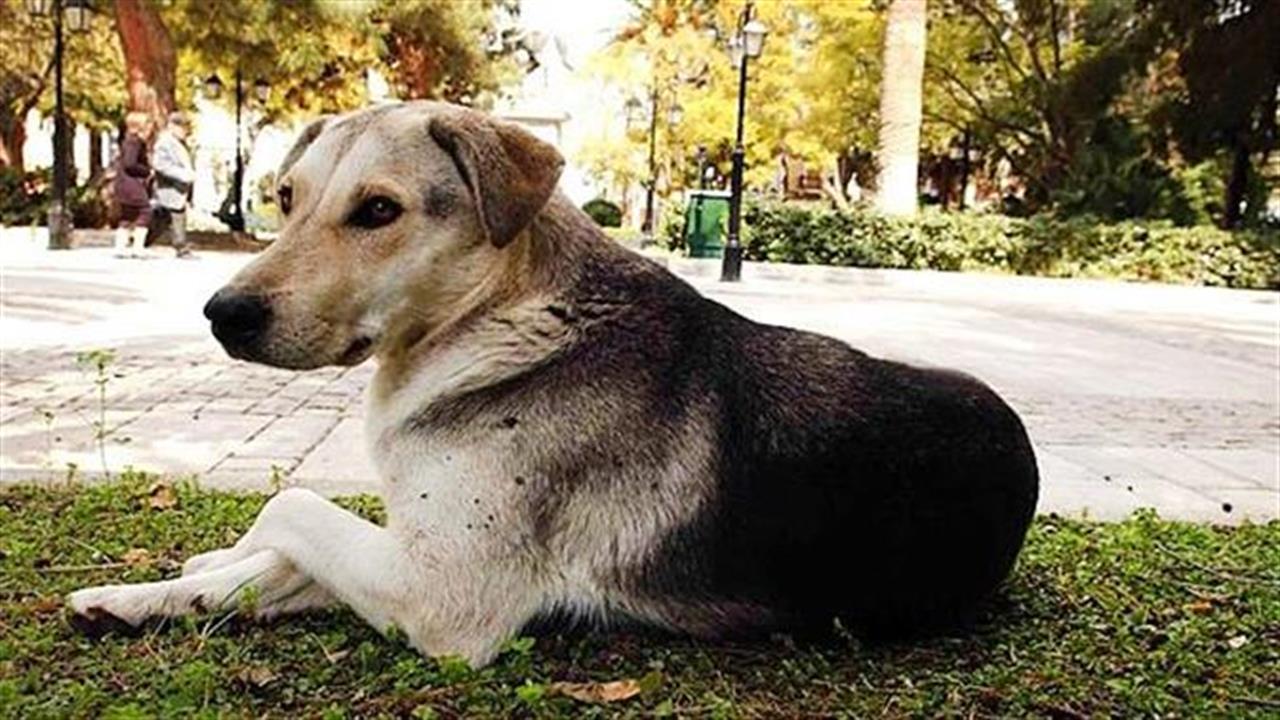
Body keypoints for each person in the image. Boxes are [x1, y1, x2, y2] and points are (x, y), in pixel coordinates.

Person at [150, 112, 196, 258]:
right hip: (169, 187)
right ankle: (180, 246)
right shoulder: (164, 143)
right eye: (182, 128)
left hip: (177, 189)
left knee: (172, 216)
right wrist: (182, 175)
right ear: (171, 126)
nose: (185, 131)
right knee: (166, 216)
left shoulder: (178, 143)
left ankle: (180, 246)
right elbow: (160, 164)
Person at [112, 112, 153, 257]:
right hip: (132, 184)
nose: (150, 130)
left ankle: (120, 247)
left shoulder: (127, 141)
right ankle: (137, 247)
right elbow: (130, 164)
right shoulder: (135, 142)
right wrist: (147, 171)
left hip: (124, 183)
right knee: (145, 211)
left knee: (128, 215)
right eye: (148, 126)